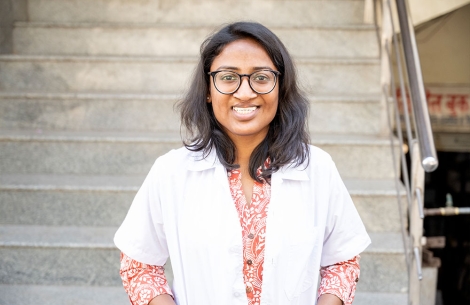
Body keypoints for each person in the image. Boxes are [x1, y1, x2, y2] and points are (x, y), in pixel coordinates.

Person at [114, 21, 371, 305]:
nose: (245, 93)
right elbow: (140, 267)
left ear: (280, 87)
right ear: (208, 90)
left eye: (261, 77)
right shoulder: (171, 172)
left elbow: (341, 263)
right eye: (228, 77)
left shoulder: (318, 169)